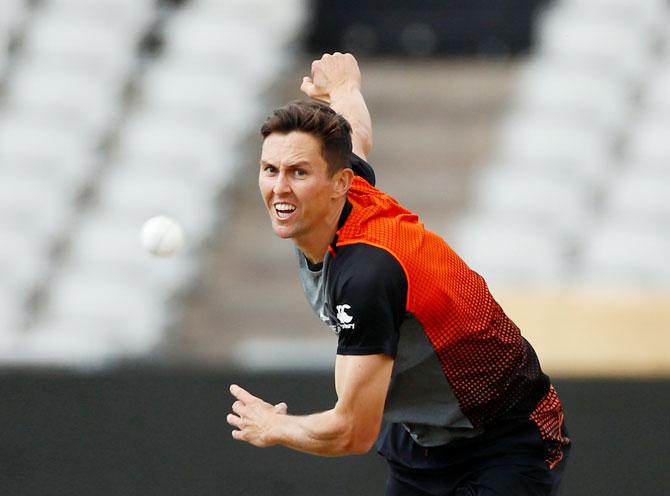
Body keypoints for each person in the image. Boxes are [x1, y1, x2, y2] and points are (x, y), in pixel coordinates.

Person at [226, 53, 570, 496]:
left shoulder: (367, 274)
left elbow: (352, 432)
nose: (279, 188)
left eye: (298, 172)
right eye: (270, 170)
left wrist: (276, 426)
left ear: (339, 185)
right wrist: (346, 89)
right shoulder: (346, 194)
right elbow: (357, 136)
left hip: (505, 439)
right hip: (419, 442)